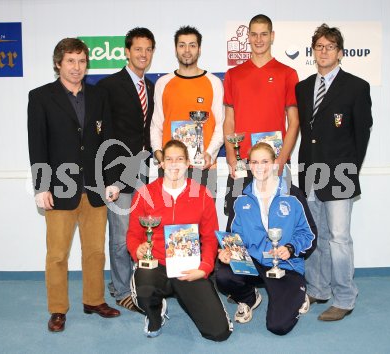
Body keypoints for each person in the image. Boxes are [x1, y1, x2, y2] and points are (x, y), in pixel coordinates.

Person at [27, 38, 121, 332]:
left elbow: (108, 141)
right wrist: (41, 186)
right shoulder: (41, 97)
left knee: (95, 251)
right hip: (59, 190)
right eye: (70, 61)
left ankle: (94, 300)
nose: (77, 67)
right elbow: (37, 144)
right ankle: (57, 309)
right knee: (57, 255)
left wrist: (113, 180)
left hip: (95, 188)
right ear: (58, 64)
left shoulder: (99, 96)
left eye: (81, 61)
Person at [296, 24, 373, 321]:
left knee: (340, 238)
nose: (324, 51)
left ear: (340, 53)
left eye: (330, 47)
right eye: (319, 46)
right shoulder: (303, 88)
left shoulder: (356, 86)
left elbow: (361, 135)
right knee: (317, 236)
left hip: (340, 172)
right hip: (310, 172)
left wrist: (350, 173)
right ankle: (318, 288)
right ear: (313, 51)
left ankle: (344, 297)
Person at [127, 140, 232, 341]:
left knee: (219, 333)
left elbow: (210, 238)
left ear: (187, 163)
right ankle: (154, 313)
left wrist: (205, 268)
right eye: (169, 159)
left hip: (189, 268)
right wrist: (137, 249)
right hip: (156, 265)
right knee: (144, 289)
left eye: (179, 159)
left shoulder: (202, 194)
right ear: (162, 164)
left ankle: (192, 295)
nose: (174, 164)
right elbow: (133, 235)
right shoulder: (144, 194)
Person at [216, 142, 317, 335]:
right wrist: (228, 252)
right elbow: (233, 235)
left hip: (285, 264)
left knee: (278, 326)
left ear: (273, 164)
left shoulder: (292, 194)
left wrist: (290, 248)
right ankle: (249, 298)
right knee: (222, 275)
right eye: (254, 162)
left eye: (264, 161)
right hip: (253, 261)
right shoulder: (240, 196)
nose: (259, 166)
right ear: (249, 165)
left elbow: (309, 233)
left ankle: (298, 293)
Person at [97, 27, 156, 312]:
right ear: (127, 51)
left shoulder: (151, 87)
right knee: (120, 237)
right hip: (117, 174)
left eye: (148, 50)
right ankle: (121, 290)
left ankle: (132, 284)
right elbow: (103, 134)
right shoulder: (109, 86)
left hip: (142, 172)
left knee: (138, 232)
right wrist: (110, 179)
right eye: (137, 49)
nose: (143, 54)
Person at [223, 14, 300, 230]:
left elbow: (294, 122)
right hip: (243, 162)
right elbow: (229, 121)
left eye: (264, 34)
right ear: (248, 36)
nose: (259, 40)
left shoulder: (288, 73)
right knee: (237, 221)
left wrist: (281, 160)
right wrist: (231, 156)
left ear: (272, 36)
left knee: (280, 221)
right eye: (254, 34)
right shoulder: (233, 75)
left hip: (276, 162)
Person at [150, 25, 224, 197]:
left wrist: (209, 154)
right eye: (182, 45)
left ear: (199, 49)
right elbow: (157, 124)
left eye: (192, 45)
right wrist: (159, 154)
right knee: (171, 219)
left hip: (203, 166)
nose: (187, 50)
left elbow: (221, 124)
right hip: (171, 167)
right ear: (176, 49)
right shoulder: (163, 83)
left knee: (204, 221)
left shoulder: (213, 82)